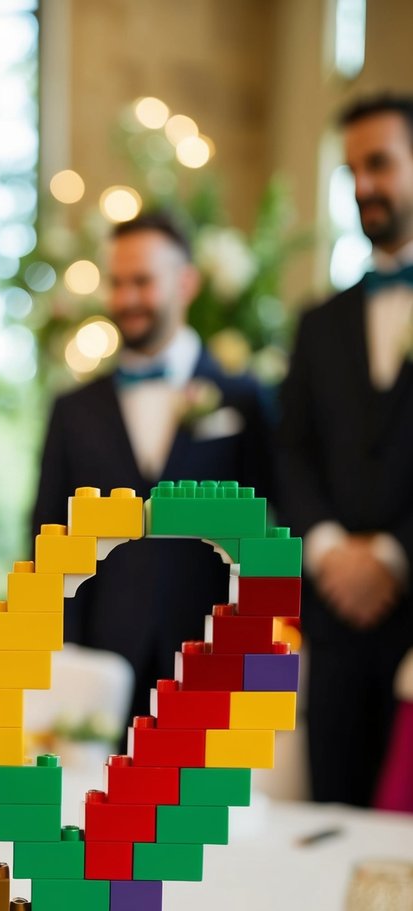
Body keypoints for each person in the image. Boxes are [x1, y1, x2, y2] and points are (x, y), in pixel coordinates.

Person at [32, 212, 274, 734]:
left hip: (213, 659)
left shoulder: (244, 398)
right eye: (116, 283)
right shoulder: (74, 409)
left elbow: (267, 532)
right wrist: (64, 660)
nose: (126, 299)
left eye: (142, 281)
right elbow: (49, 538)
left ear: (186, 282)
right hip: (102, 661)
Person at [279, 94, 413, 807]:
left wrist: (392, 555)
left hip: (410, 601)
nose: (363, 185)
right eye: (351, 170)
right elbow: (290, 452)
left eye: (380, 164)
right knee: (329, 816)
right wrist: (329, 551)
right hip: (332, 620)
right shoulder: (318, 323)